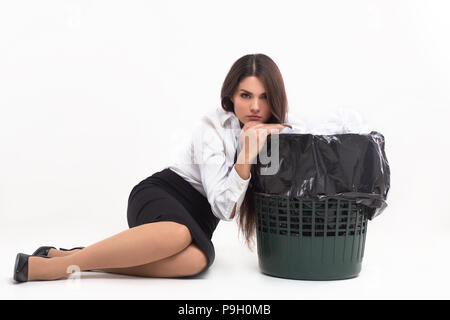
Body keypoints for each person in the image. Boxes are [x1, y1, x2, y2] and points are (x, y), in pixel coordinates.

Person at [13, 53, 297, 282]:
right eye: (246, 95)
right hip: (160, 195)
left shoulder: (272, 135)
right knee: (178, 233)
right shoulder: (211, 129)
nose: (255, 107)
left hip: (195, 221)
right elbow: (223, 209)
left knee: (196, 261)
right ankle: (54, 269)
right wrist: (245, 155)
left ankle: (77, 258)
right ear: (231, 97)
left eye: (265, 97)